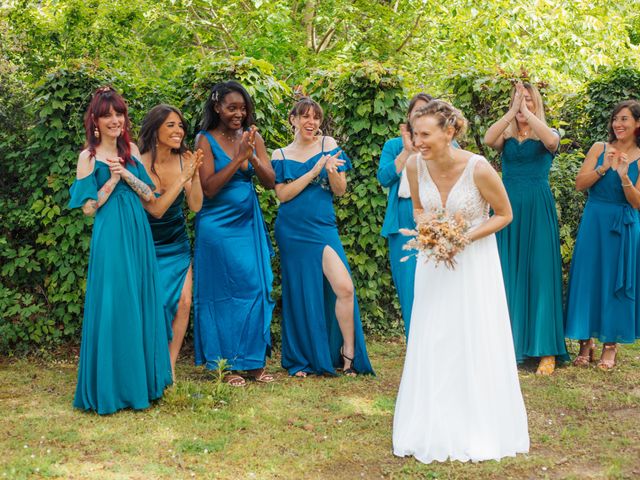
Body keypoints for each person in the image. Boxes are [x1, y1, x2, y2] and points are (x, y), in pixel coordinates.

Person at [393, 100, 529, 463]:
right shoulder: (413, 165)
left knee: (472, 334)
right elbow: (419, 209)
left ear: (449, 131)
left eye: (425, 134)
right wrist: (431, 231)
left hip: (474, 263)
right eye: (414, 133)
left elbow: (504, 214)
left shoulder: (479, 168)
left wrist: (463, 238)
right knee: (435, 336)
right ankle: (432, 421)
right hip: (433, 262)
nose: (417, 141)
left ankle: (477, 424)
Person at [69, 86, 174, 414]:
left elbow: (150, 197)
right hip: (111, 235)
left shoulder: (130, 150)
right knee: (116, 303)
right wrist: (112, 181)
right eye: (107, 115)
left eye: (119, 113)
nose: (115, 119)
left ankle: (142, 385)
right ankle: (112, 388)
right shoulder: (87, 157)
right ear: (96, 121)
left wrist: (125, 172)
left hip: (137, 234)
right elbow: (88, 208)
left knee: (139, 300)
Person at [271, 97, 374, 377]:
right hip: (291, 230)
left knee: (344, 287)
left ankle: (348, 355)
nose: (311, 123)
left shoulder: (328, 145)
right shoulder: (279, 155)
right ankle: (302, 358)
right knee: (301, 293)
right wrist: (314, 171)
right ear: (292, 119)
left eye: (316, 117)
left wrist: (332, 173)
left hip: (322, 227)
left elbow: (340, 190)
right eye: (305, 117)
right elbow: (282, 195)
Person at [193, 81, 276, 386]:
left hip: (246, 224)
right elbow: (210, 188)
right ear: (217, 108)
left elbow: (270, 182)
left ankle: (253, 362)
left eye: (243, 108)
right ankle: (227, 365)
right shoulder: (204, 139)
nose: (238, 113)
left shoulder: (253, 137)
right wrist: (239, 159)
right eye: (231, 107)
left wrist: (252, 156)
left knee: (255, 287)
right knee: (221, 296)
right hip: (216, 227)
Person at [484, 82, 568, 375]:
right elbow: (487, 138)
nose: (523, 105)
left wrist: (528, 111)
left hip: (537, 206)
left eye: (530, 101)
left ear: (537, 104)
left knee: (540, 272)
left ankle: (546, 350)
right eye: (520, 100)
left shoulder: (550, 133)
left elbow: (551, 142)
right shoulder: (505, 138)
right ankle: (510, 345)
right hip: (506, 209)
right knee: (507, 271)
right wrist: (512, 110)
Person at [566, 100, 640, 370]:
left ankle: (611, 344)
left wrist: (624, 176)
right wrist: (603, 168)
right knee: (588, 278)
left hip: (624, 226)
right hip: (594, 220)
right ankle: (585, 342)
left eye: (624, 119)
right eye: (615, 119)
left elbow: (637, 203)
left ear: (637, 124)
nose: (618, 124)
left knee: (615, 283)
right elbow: (579, 184)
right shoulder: (599, 148)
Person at [138, 104, 204, 380]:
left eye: (180, 125)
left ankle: (170, 367)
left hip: (176, 243)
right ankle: (146, 364)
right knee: (153, 305)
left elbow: (196, 206)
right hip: (145, 244)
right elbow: (155, 209)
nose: (179, 131)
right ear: (154, 129)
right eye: (171, 125)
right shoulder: (138, 161)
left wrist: (195, 175)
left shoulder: (184, 160)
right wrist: (184, 176)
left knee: (184, 302)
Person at [377, 93, 432, 337]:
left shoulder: (447, 144)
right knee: (409, 285)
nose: (420, 116)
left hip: (433, 218)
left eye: (426, 111)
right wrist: (407, 152)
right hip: (402, 217)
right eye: (416, 112)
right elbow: (384, 178)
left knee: (436, 284)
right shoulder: (393, 145)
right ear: (408, 116)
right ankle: (415, 347)